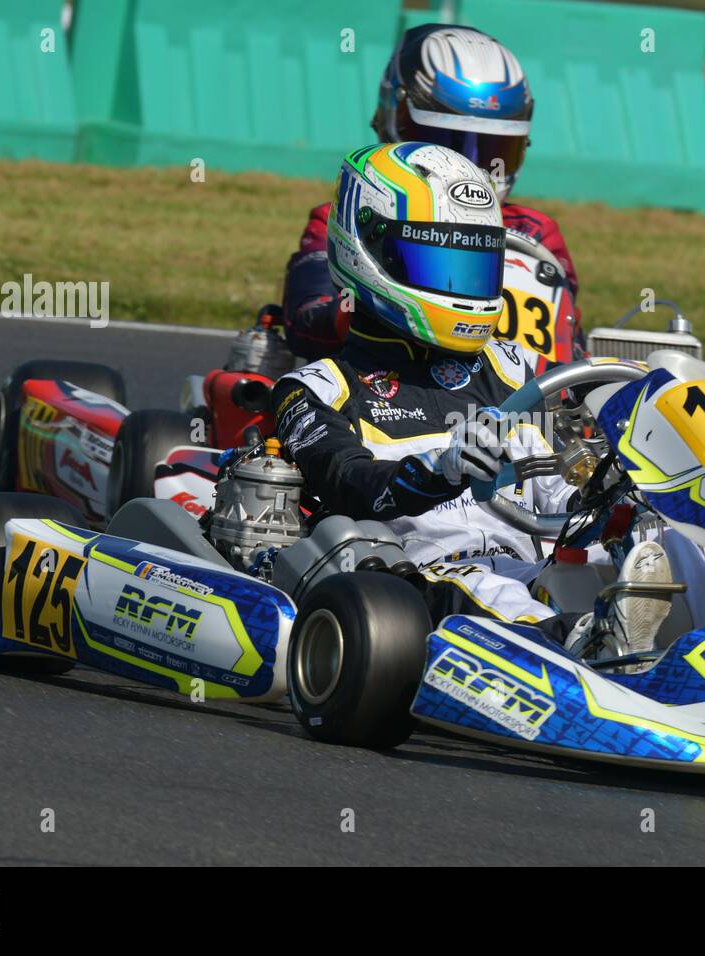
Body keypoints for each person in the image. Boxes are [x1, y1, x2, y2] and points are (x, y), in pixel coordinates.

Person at [271, 141, 667, 655]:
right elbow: (351, 486)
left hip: (530, 569)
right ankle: (584, 647)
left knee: (668, 538)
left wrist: (614, 493)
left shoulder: (511, 369)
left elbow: (557, 494)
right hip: (412, 582)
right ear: (367, 250)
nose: (459, 287)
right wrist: (439, 469)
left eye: (473, 265)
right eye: (438, 262)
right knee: (484, 588)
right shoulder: (318, 389)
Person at [275, 23, 583, 363]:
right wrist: (379, 303)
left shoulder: (536, 231)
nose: (469, 166)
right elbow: (306, 323)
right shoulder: (351, 215)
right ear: (396, 121)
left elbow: (570, 348)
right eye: (445, 143)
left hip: (515, 405)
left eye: (492, 148)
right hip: (383, 394)